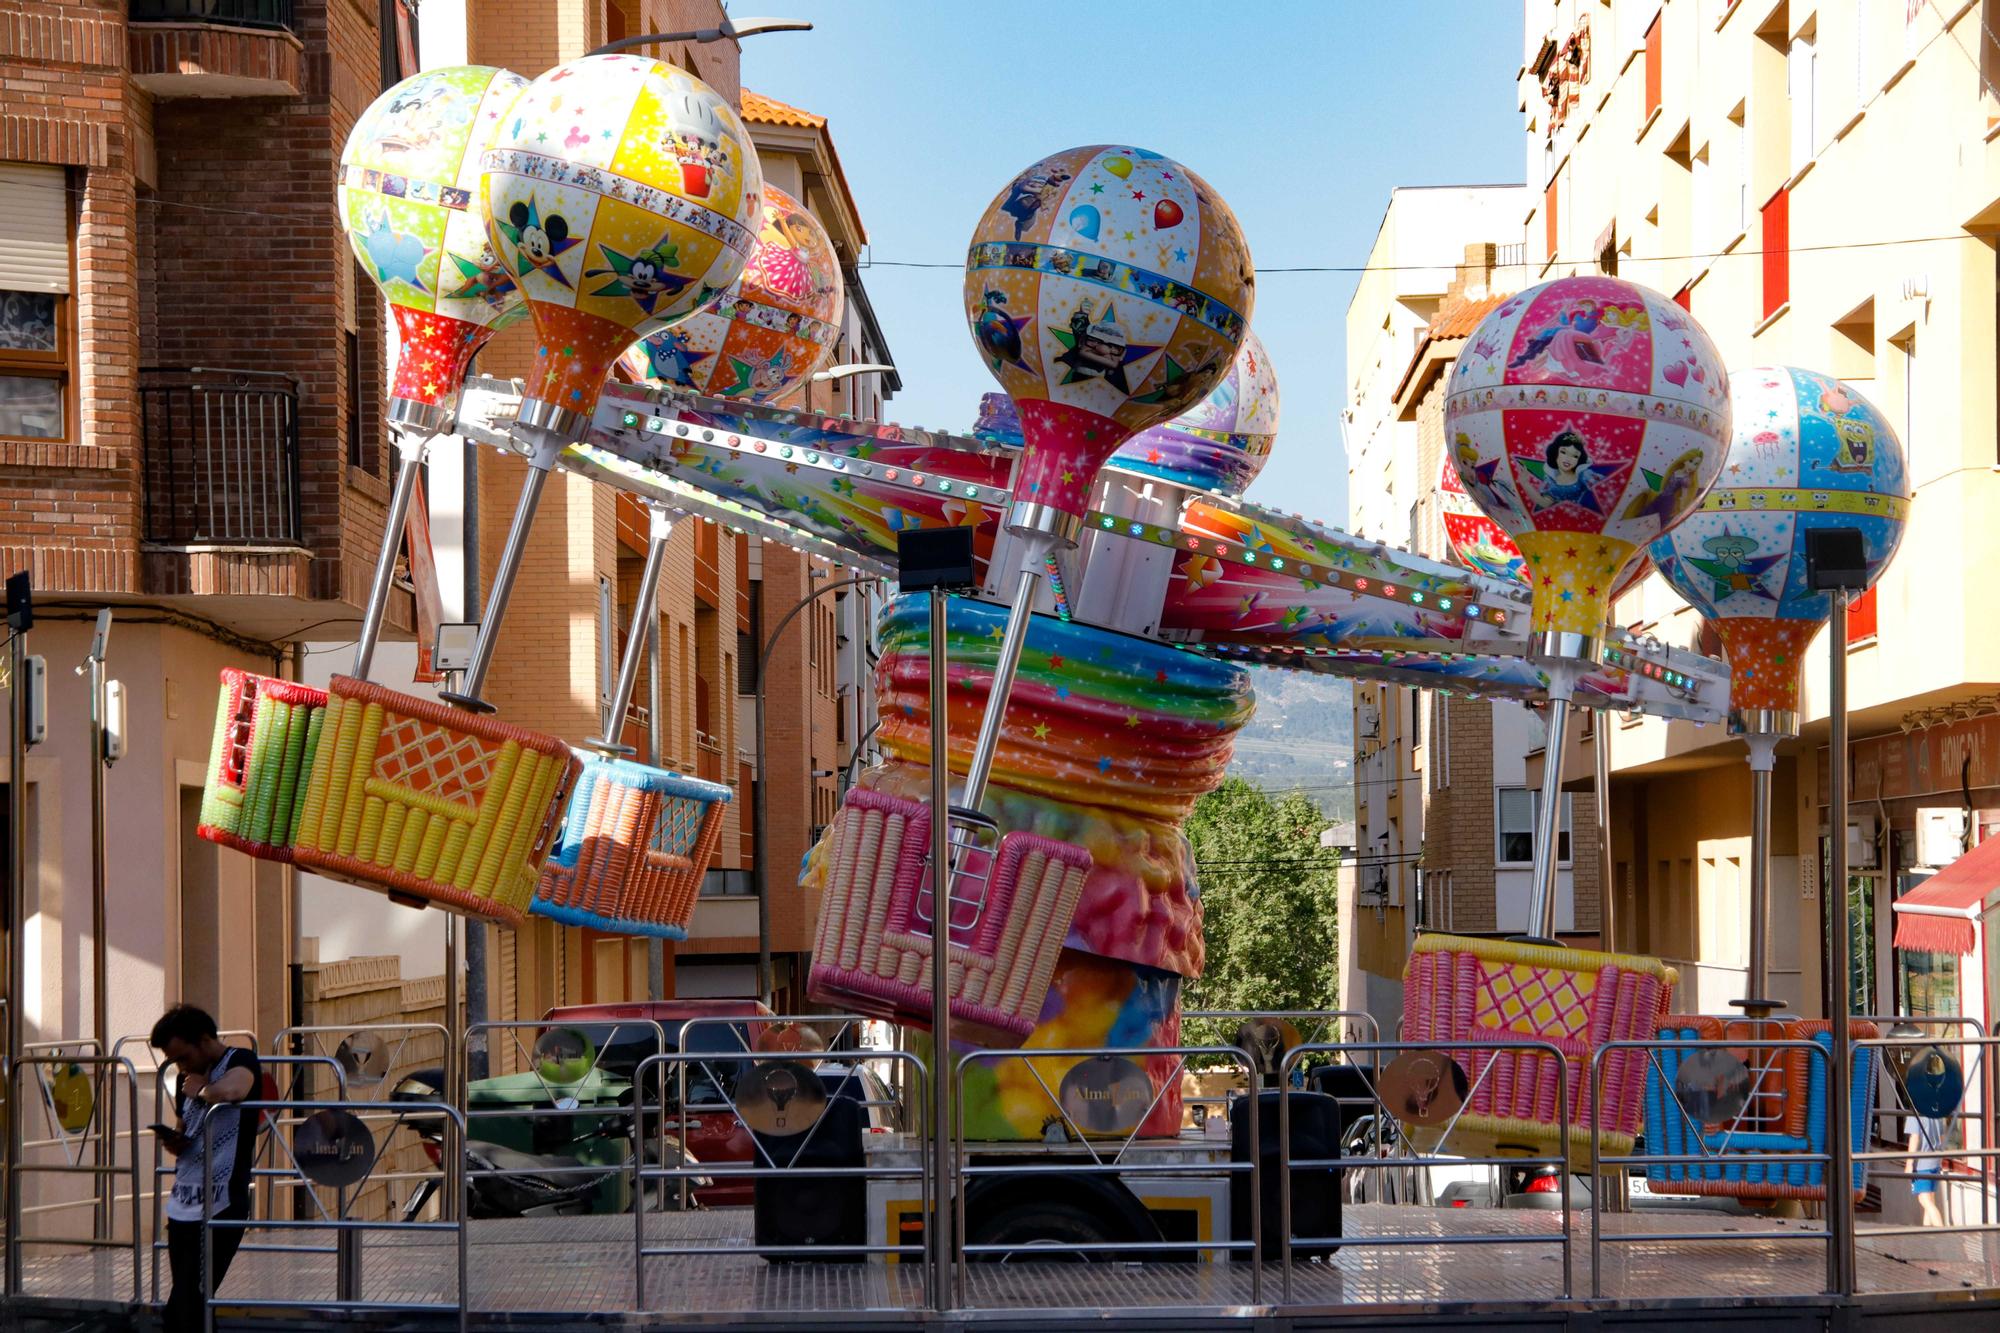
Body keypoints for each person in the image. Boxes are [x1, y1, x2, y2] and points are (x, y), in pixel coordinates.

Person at [150, 1005, 262, 1332]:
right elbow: (185, 1127)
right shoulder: (187, 1080)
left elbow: (234, 1090)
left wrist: (200, 1089)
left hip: (221, 1203)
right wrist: (175, 1141)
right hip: (184, 1202)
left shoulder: (240, 1060)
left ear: (203, 1040)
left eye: (184, 1057)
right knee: (184, 1302)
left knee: (191, 1299)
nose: (182, 1066)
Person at [1907, 1111, 1949, 1228]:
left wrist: (1909, 1163)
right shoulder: (1936, 1111)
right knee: (1930, 1200)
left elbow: (1914, 1138)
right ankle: (1928, 1235)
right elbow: (1942, 1137)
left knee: (1924, 1200)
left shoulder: (1915, 1112)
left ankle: (1943, 1232)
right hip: (1935, 1161)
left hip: (1922, 1164)